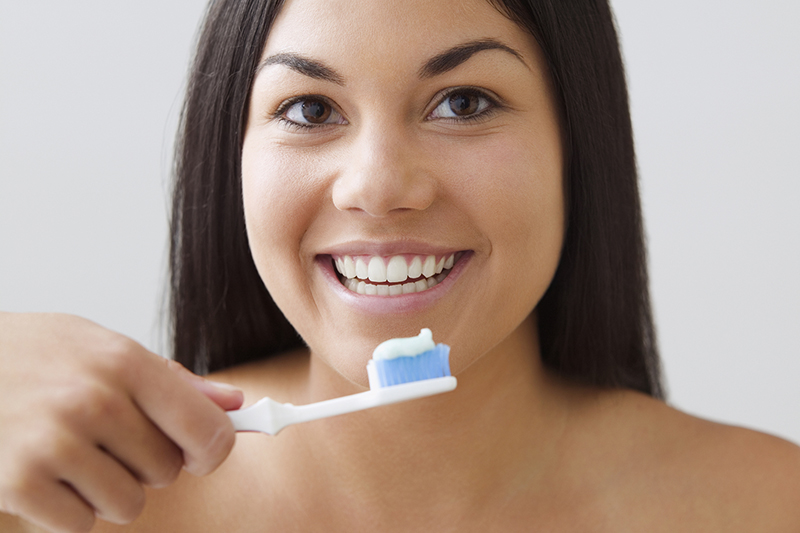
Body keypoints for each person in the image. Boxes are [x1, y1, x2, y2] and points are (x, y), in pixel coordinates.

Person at [1, 0, 799, 531]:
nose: (378, 187)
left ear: (576, 146)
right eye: (310, 110)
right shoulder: (72, 508)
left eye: (465, 102)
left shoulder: (769, 504)